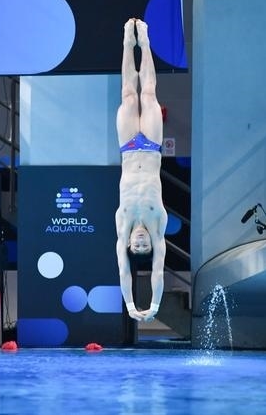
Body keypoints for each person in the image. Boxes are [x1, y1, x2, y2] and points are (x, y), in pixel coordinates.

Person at [115, 19, 168, 322]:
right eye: (143, 244)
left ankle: (127, 42)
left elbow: (124, 270)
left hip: (127, 148)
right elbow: (158, 271)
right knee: (148, 94)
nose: (139, 241)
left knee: (128, 95)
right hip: (150, 147)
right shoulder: (157, 223)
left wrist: (131, 306)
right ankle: (145, 42)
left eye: (136, 245)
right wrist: (154, 306)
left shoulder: (123, 223)